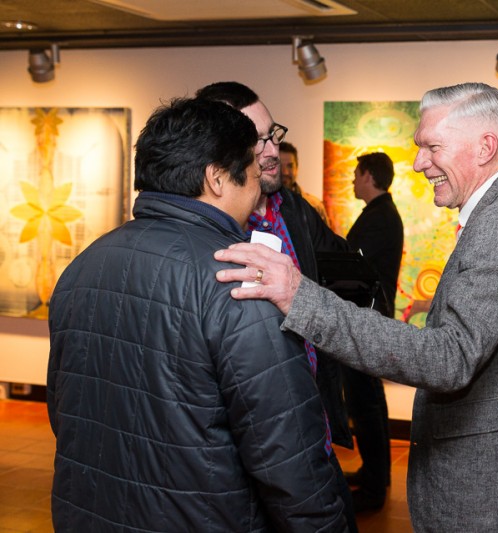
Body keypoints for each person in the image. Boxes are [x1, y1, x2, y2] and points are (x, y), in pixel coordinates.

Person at [214, 82, 498, 532]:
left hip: (494, 481)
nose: (418, 164)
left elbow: (448, 358)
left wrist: (299, 296)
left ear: (485, 147)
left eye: (432, 147)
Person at [46, 97, 346, 531]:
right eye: (250, 169)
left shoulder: (83, 266)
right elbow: (288, 460)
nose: (259, 185)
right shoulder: (239, 282)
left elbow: (66, 410)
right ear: (218, 178)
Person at [194, 81, 357, 532]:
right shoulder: (209, 235)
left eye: (273, 134)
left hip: (311, 431)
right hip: (252, 452)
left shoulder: (294, 210)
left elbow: (341, 271)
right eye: (257, 140)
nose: (272, 151)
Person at [342, 151, 404, 512]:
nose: (352, 179)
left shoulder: (380, 218)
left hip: (367, 322)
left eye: (356, 173)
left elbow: (355, 265)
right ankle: (374, 475)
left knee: (365, 404)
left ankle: (373, 489)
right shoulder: (380, 214)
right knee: (369, 402)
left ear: (369, 176)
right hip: (370, 320)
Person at [280, 141, 330, 224]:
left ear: (297, 168)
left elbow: (326, 237)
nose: (285, 172)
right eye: (280, 166)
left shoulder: (315, 206)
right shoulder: (261, 207)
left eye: (290, 166)